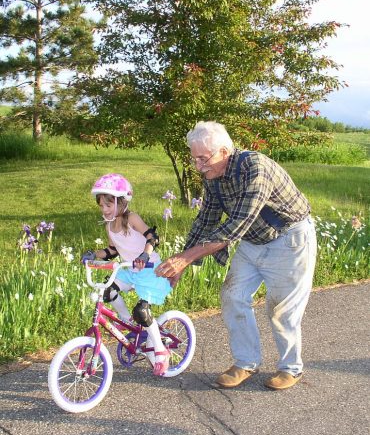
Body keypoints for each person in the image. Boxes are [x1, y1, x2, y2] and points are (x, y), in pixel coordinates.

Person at [155, 121, 317, 389]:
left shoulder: (256, 168)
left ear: (224, 151)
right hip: (253, 241)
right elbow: (206, 220)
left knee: (281, 310)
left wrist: (187, 258)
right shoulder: (212, 177)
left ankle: (291, 368)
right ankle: (246, 363)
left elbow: (236, 225)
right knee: (233, 295)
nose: (198, 166)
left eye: (203, 159)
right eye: (194, 159)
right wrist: (183, 261)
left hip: (289, 239)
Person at [82, 173, 172, 376]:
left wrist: (144, 255)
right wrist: (93, 254)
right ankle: (127, 320)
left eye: (108, 204)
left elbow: (152, 237)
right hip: (129, 271)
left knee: (142, 311)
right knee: (108, 292)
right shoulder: (109, 226)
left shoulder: (131, 218)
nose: (104, 210)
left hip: (149, 269)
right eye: (102, 206)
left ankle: (160, 350)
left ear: (121, 202)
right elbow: (112, 251)